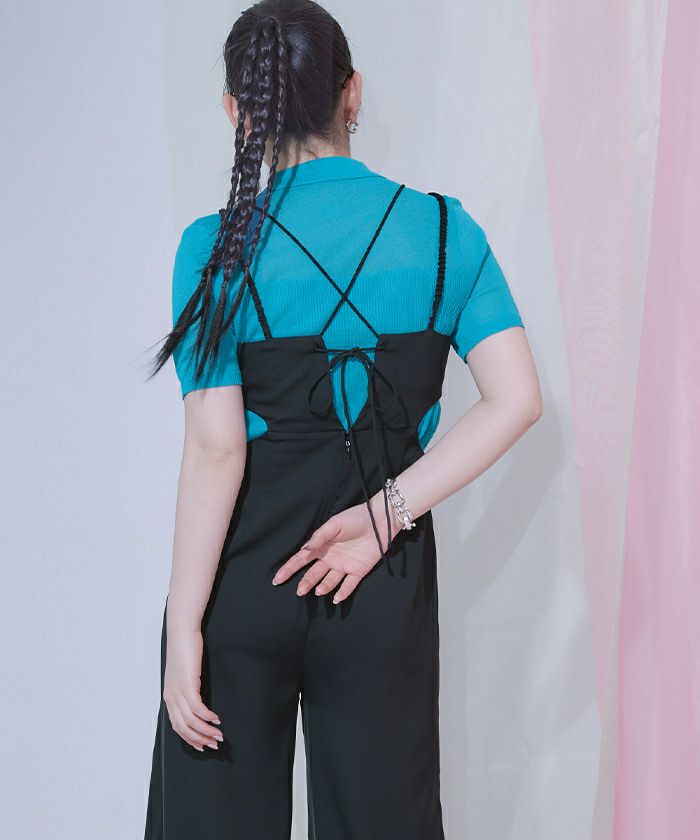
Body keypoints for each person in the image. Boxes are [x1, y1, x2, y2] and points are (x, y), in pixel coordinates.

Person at [143, 0, 542, 837]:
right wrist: (386, 514)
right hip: (378, 586)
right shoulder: (444, 234)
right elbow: (516, 400)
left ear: (237, 112)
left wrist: (184, 625)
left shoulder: (213, 248)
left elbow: (217, 450)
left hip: (241, 590)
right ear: (352, 92)